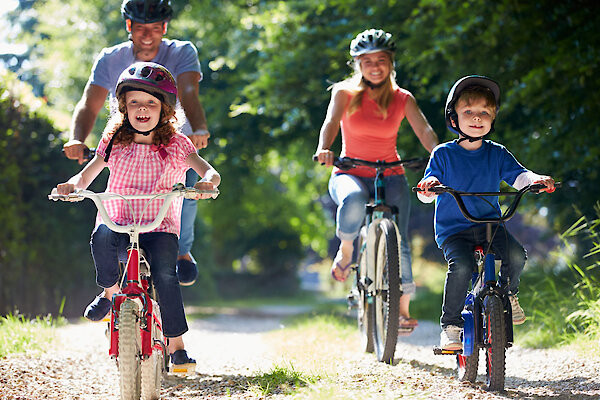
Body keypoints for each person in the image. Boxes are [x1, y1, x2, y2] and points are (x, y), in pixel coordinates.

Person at [53, 62, 220, 373]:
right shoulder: (115, 140)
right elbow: (88, 173)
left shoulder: (176, 143)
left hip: (159, 224)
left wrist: (207, 183)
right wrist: (72, 187)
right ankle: (109, 292)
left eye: (150, 102)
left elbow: (208, 170)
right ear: (123, 107)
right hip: (117, 218)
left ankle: (177, 345)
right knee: (101, 238)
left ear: (165, 109)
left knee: (167, 277)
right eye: (134, 102)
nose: (142, 108)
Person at [62, 0, 207, 286]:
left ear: (164, 27)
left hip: (171, 142)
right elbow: (89, 105)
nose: (147, 36)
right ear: (129, 26)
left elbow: (189, 92)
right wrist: (77, 139)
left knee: (185, 191)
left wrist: (199, 128)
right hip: (126, 143)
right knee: (113, 194)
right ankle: (111, 284)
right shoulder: (110, 58)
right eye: (140, 28)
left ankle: (181, 251)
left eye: (155, 28)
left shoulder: (181, 52)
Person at [416, 75, 555, 351]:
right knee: (462, 267)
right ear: (453, 118)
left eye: (484, 113)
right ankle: (451, 326)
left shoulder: (497, 153)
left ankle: (509, 295)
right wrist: (428, 188)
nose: (477, 118)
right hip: (454, 229)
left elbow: (520, 177)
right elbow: (424, 193)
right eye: (468, 112)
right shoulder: (443, 155)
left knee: (516, 255)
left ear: (492, 119)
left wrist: (537, 179)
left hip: (490, 224)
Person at [314, 29, 439, 333]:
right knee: (354, 199)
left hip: (390, 172)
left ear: (390, 63)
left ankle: (401, 310)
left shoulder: (402, 98)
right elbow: (330, 123)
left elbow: (423, 130)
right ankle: (346, 249)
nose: (375, 66)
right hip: (349, 171)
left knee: (400, 239)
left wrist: (439, 155)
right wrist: (324, 148)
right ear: (357, 63)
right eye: (367, 60)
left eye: (381, 60)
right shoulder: (344, 93)